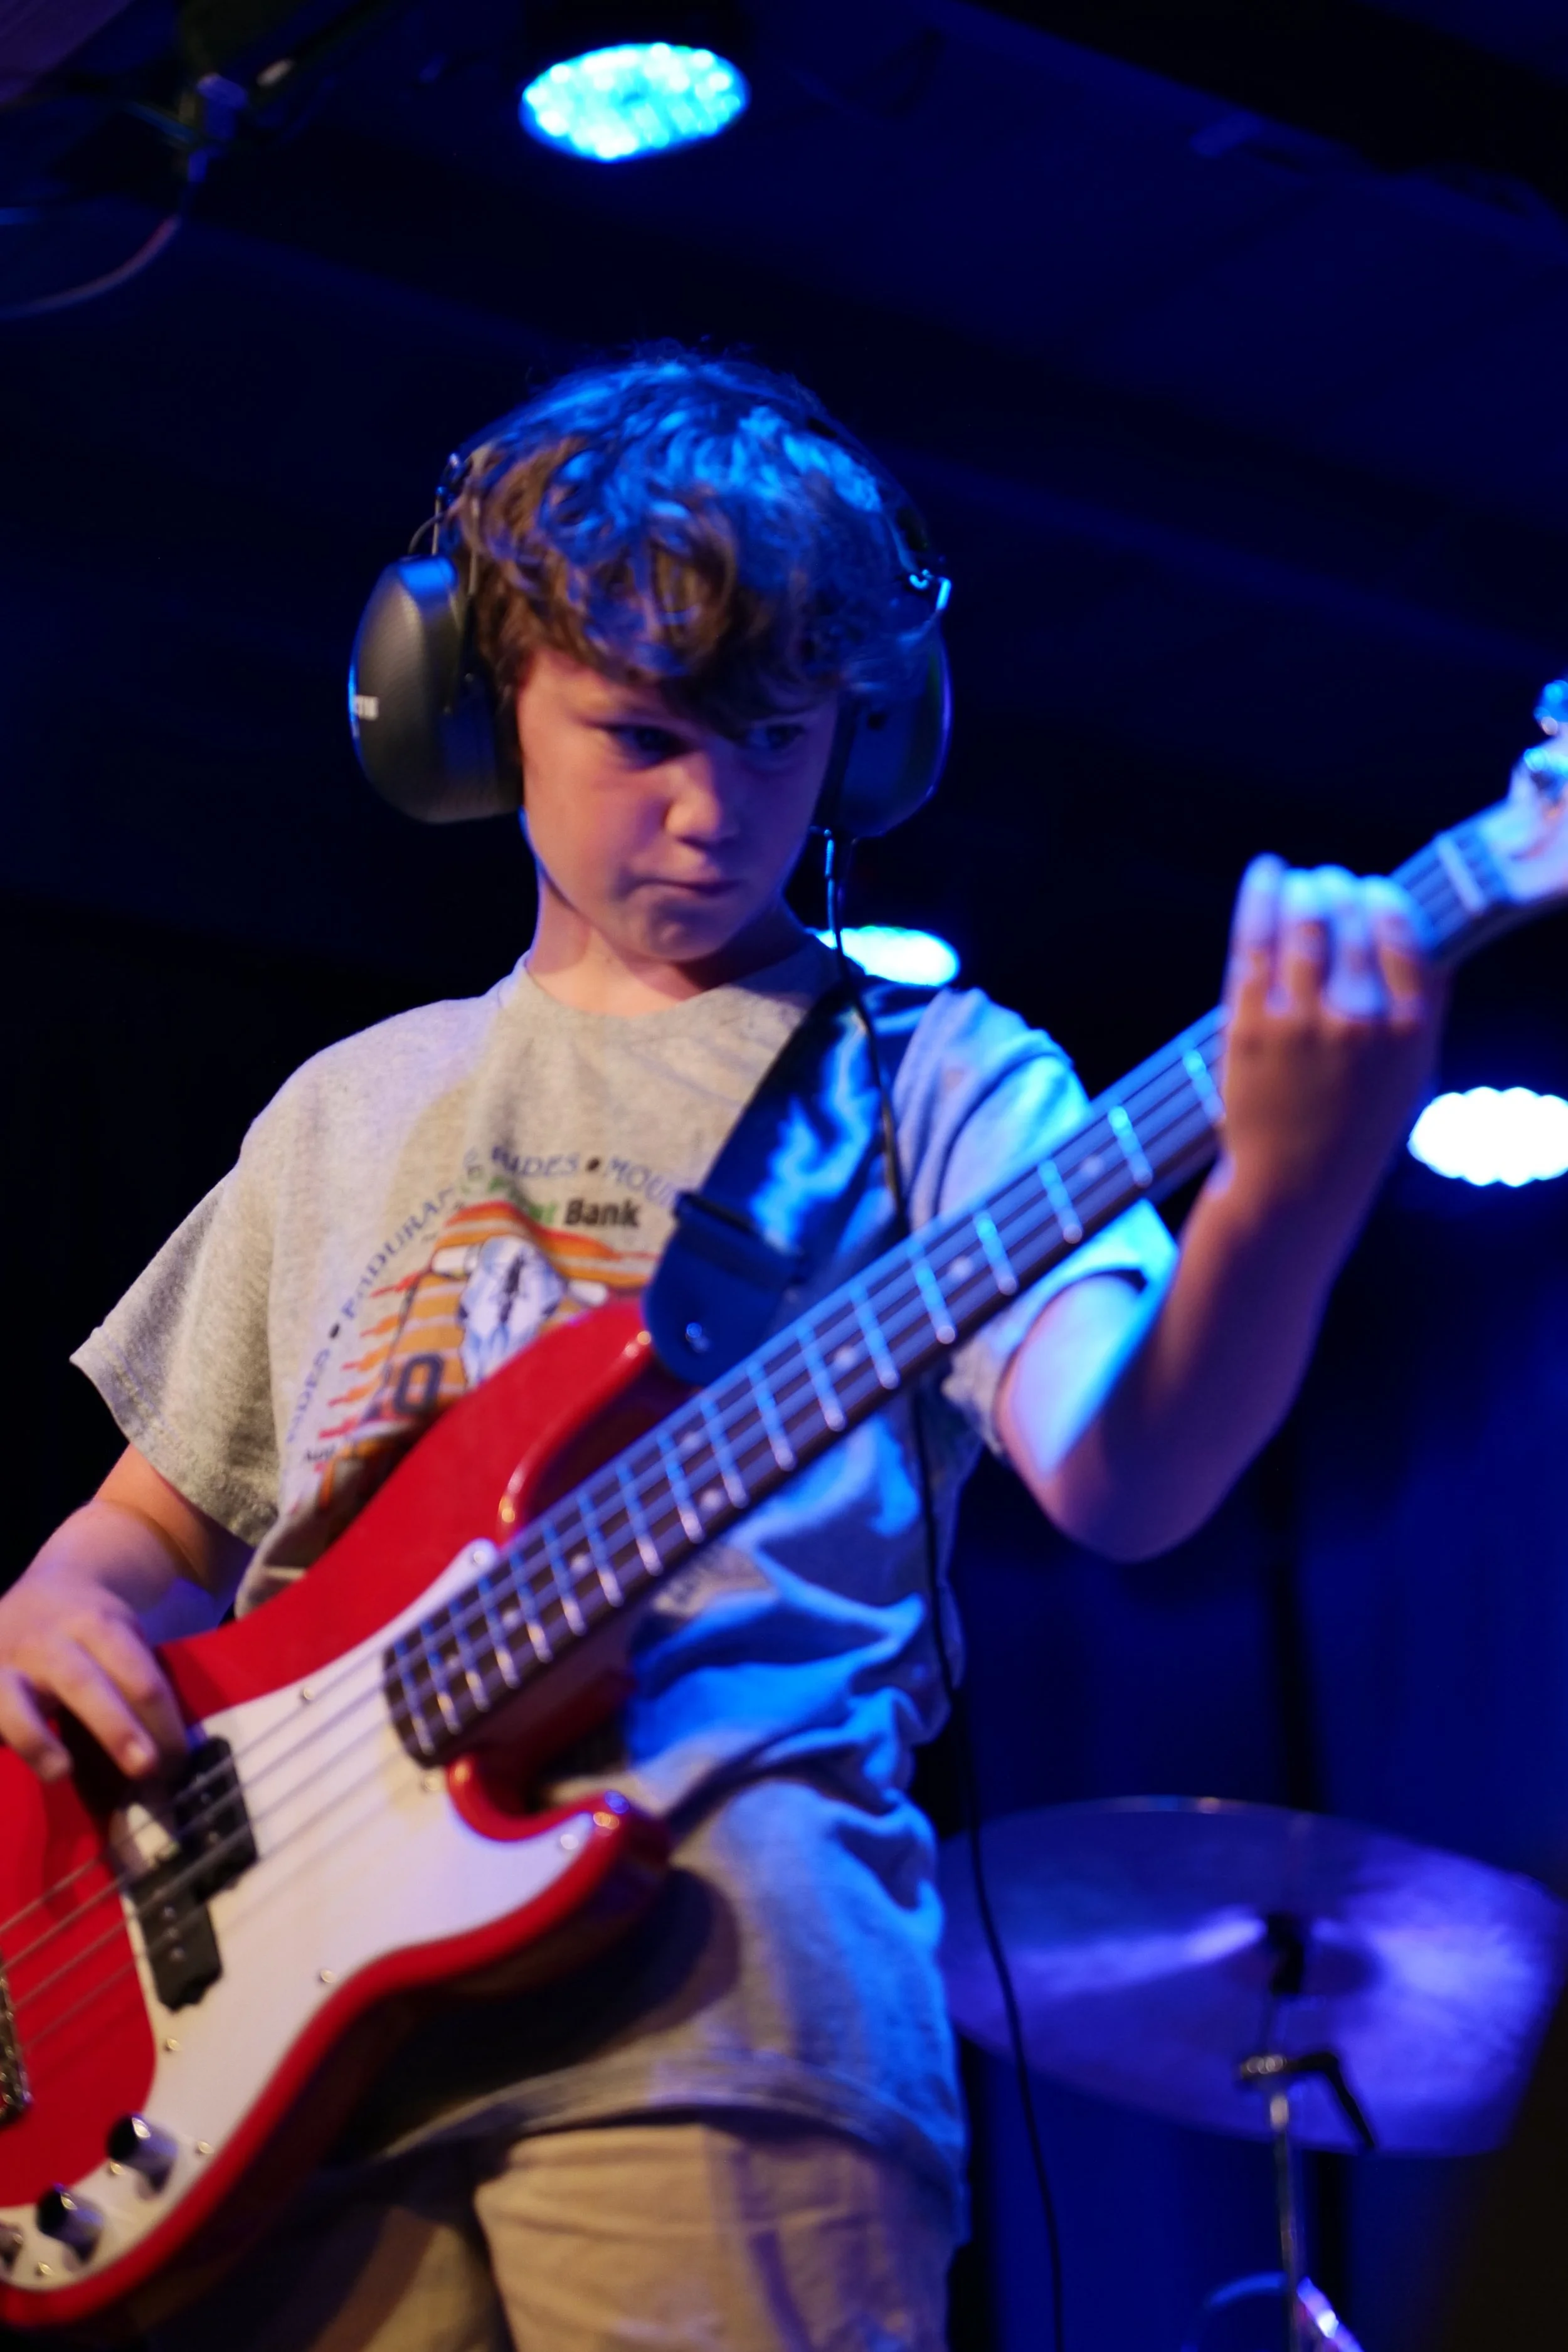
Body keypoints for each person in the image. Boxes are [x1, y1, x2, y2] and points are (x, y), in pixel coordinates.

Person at [0, 349, 1443, 2351]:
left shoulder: (934, 1078)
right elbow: (137, 1536)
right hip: (269, 2064)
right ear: (468, 704)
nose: (713, 811)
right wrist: (47, 1604)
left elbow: (1130, 1470)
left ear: (868, 736)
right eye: (643, 735)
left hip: (719, 1995)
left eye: (778, 739)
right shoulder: (350, 1105)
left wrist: (1289, 1189)